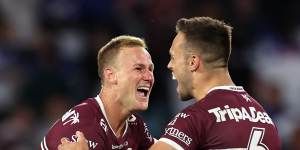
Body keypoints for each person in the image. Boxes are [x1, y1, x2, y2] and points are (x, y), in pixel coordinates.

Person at [58, 17, 281, 150]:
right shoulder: (264, 117)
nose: (169, 66)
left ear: (193, 62)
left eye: (174, 57)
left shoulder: (196, 118)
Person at [41, 35, 156, 150]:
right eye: (138, 68)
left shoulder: (134, 125)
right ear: (111, 76)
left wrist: (174, 133)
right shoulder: (83, 129)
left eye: (150, 69)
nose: (149, 77)